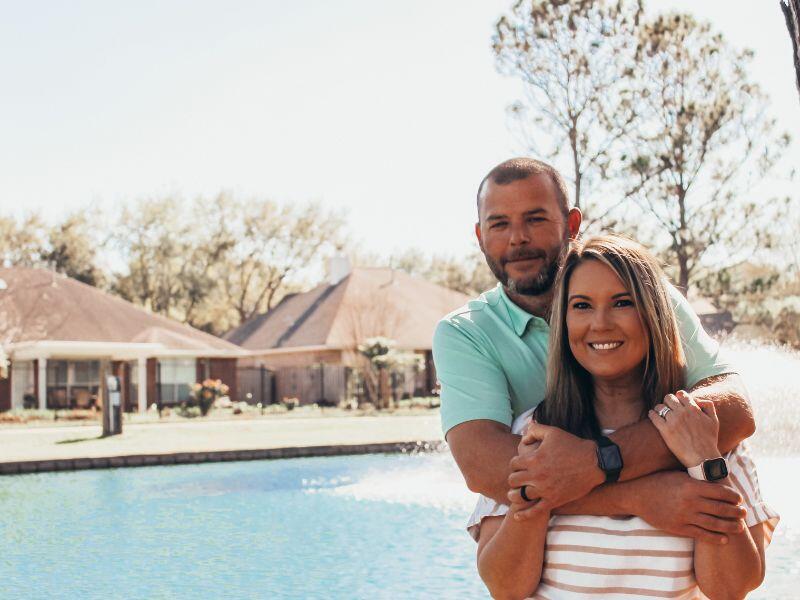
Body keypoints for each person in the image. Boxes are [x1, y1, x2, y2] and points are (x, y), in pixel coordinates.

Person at [432, 157, 756, 543]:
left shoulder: (647, 297)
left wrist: (600, 461)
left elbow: (736, 410)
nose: (517, 238)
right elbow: (487, 469)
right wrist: (635, 496)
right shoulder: (465, 333)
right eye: (499, 224)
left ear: (571, 225)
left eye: (535, 219)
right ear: (480, 235)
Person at [468, 235, 778, 599]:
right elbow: (504, 587)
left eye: (622, 302)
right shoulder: (533, 433)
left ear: (654, 314)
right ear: (563, 322)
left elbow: (731, 587)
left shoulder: (705, 429)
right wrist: (536, 495)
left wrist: (703, 460)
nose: (600, 323)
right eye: (581, 306)